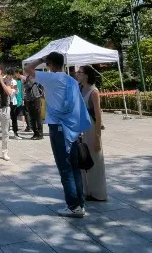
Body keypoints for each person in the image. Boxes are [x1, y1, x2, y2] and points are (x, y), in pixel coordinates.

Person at [25, 52, 91, 218]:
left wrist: (40, 59)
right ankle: (80, 204)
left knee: (65, 168)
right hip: (72, 127)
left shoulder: (51, 78)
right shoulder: (71, 80)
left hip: (58, 127)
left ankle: (73, 206)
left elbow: (28, 69)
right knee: (74, 167)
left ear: (50, 64)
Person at [76, 65, 107, 201]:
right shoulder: (79, 88)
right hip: (81, 127)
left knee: (95, 159)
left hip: (91, 127)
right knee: (83, 159)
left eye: (80, 72)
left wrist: (97, 137)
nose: (77, 74)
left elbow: (98, 115)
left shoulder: (93, 91)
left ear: (87, 75)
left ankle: (98, 193)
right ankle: (86, 190)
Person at [24, 73, 44, 139]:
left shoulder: (33, 77)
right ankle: (35, 133)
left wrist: (25, 82)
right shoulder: (27, 78)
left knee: (38, 117)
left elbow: (28, 85)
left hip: (36, 99)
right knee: (32, 118)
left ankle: (40, 134)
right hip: (29, 100)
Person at [7, 70, 22, 138]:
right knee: (6, 118)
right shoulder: (5, 81)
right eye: (8, 75)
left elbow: (16, 91)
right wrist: (10, 88)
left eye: (10, 75)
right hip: (6, 102)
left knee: (14, 118)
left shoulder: (14, 81)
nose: (9, 76)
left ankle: (15, 133)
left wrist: (13, 89)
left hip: (13, 101)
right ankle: (6, 133)